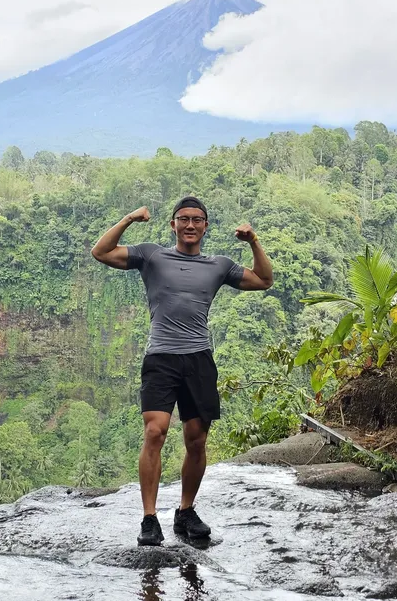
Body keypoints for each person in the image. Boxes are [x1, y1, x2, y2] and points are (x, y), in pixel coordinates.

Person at [91, 196, 273, 546]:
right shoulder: (151, 256)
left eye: (197, 219)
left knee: (196, 439)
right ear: (173, 224)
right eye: (184, 219)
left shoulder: (218, 265)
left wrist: (253, 241)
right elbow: (101, 252)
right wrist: (129, 218)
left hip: (198, 359)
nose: (190, 225)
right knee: (155, 432)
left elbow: (264, 280)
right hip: (161, 357)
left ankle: (185, 511)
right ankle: (149, 518)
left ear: (206, 226)